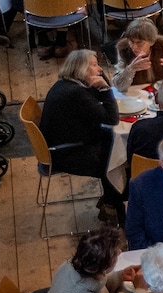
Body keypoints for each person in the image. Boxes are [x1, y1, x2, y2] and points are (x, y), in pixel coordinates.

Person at [39, 50, 124, 219]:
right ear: (81, 69)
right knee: (117, 162)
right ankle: (112, 208)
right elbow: (111, 118)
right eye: (94, 65)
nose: (100, 69)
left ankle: (110, 201)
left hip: (67, 144)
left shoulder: (66, 84)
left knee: (113, 148)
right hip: (66, 154)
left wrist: (100, 79)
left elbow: (98, 105)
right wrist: (105, 88)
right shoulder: (75, 94)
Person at [112, 18, 163, 89]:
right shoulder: (124, 51)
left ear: (151, 42)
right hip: (139, 96)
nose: (134, 47)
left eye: (139, 43)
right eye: (131, 41)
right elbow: (119, 86)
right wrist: (130, 70)